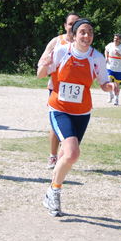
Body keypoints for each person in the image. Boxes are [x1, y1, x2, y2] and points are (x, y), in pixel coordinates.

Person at [37, 18, 118, 216]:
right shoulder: (62, 51)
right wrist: (45, 63)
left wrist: (111, 87)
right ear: (73, 34)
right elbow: (40, 74)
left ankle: (51, 191)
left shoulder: (97, 57)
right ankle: (55, 192)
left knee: (67, 156)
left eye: (90, 32)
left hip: (82, 112)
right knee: (72, 153)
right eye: (82, 32)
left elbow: (103, 83)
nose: (87, 36)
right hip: (59, 109)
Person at [37, 12, 81, 169]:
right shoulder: (57, 42)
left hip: (77, 94)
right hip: (56, 91)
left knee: (73, 126)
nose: (73, 27)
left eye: (76, 23)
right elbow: (41, 64)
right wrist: (46, 63)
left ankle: (65, 156)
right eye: (70, 24)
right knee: (56, 127)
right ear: (65, 26)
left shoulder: (84, 44)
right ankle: (53, 156)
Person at [104, 33, 121, 105]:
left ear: (120, 40)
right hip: (110, 67)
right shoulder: (110, 45)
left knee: (117, 85)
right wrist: (106, 57)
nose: (115, 40)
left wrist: (118, 55)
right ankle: (110, 95)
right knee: (109, 81)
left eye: (117, 39)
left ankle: (116, 98)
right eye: (114, 38)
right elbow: (106, 50)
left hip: (118, 69)